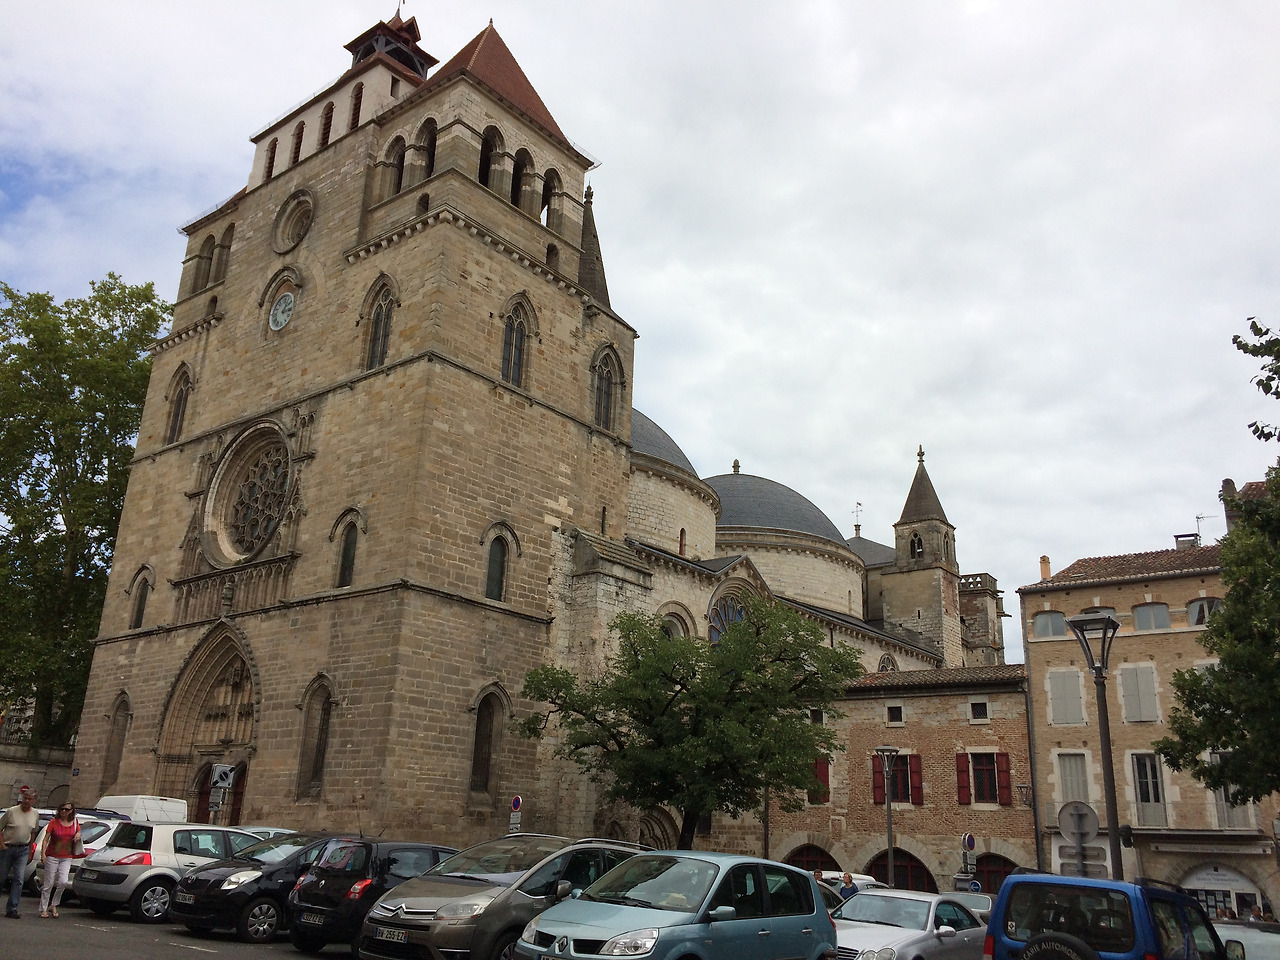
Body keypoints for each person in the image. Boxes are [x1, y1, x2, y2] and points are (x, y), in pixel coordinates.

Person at [0, 786, 40, 919]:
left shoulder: (35, 813)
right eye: (25, 798)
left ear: (33, 801)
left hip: (23, 849)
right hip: (8, 847)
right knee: (2, 877)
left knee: (19, 879)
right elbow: (0, 829)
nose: (26, 801)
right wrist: (2, 846)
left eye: (29, 799)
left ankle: (12, 908)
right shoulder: (11, 811)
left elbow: (33, 832)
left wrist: (30, 850)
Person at [38, 802, 79, 918]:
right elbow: (46, 839)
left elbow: (78, 831)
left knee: (63, 882)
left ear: (71, 811)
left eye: (67, 809)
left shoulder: (75, 823)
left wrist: (78, 834)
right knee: (48, 883)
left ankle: (54, 904)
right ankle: (43, 908)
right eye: (62, 809)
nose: (64, 811)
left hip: (67, 856)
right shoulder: (54, 822)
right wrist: (43, 854)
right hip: (52, 855)